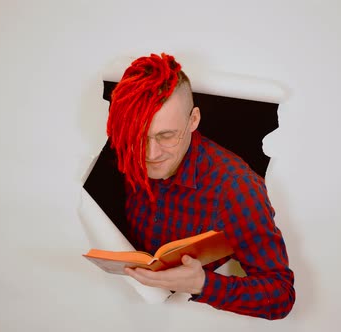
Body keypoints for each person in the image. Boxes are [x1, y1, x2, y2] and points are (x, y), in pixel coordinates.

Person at [106, 53, 295, 320]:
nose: (150, 153)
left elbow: (280, 294)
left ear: (193, 120)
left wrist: (202, 284)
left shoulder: (235, 188)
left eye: (166, 135)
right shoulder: (128, 150)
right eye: (138, 136)